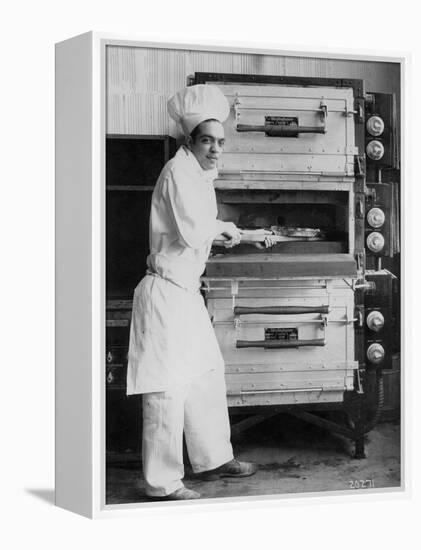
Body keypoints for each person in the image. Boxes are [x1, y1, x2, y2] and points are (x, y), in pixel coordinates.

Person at [127, 84, 257, 501]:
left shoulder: (199, 177)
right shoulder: (178, 171)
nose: (216, 149)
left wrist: (245, 235)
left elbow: (197, 234)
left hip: (185, 293)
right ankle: (161, 484)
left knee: (206, 375)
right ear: (190, 141)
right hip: (164, 294)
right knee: (167, 390)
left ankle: (213, 459)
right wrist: (226, 229)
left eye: (220, 142)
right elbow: (193, 230)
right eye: (207, 141)